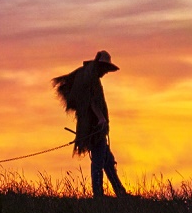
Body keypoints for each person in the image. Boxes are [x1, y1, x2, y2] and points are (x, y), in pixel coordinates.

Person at [52, 50, 133, 197]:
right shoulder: (92, 80)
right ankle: (98, 195)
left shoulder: (88, 77)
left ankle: (120, 192)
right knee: (98, 161)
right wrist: (101, 118)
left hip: (93, 128)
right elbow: (92, 101)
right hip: (95, 129)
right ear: (101, 66)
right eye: (105, 69)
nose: (105, 73)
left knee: (107, 161)